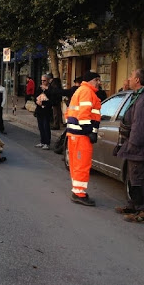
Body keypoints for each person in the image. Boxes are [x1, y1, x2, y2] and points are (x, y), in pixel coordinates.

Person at [116, 69, 144, 223]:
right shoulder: (140, 96)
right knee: (133, 179)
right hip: (135, 147)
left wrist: (133, 144)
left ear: (138, 80)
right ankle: (134, 205)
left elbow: (142, 126)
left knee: (140, 179)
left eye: (131, 76)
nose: (128, 79)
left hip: (139, 148)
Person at [65, 70, 102, 206]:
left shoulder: (81, 90)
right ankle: (79, 194)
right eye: (97, 80)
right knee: (82, 165)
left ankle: (77, 190)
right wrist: (90, 132)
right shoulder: (87, 92)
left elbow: (70, 112)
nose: (99, 83)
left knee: (76, 164)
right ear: (92, 80)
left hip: (75, 134)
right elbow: (84, 115)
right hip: (81, 135)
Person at [34, 74, 52, 150]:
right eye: (42, 80)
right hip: (39, 110)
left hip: (46, 110)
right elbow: (35, 96)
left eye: (44, 80)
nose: (43, 82)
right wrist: (37, 101)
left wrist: (44, 103)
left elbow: (52, 100)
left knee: (46, 126)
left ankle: (47, 143)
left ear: (48, 81)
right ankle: (42, 141)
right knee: (40, 126)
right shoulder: (39, 88)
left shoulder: (50, 89)